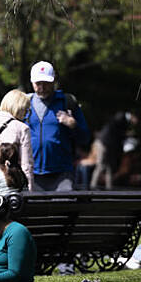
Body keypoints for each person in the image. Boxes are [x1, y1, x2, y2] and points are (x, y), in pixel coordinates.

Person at [24, 61, 91, 191]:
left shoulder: (67, 102)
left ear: (54, 81)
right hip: (31, 174)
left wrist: (73, 125)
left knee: (63, 208)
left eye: (46, 83)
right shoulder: (24, 104)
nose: (42, 87)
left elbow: (85, 138)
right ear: (32, 82)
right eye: (38, 84)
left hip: (62, 174)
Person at [91, 111, 138, 190]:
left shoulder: (124, 120)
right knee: (101, 165)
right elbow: (115, 130)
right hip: (104, 143)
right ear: (134, 116)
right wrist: (126, 134)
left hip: (109, 145)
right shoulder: (121, 116)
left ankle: (109, 187)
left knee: (109, 166)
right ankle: (93, 186)